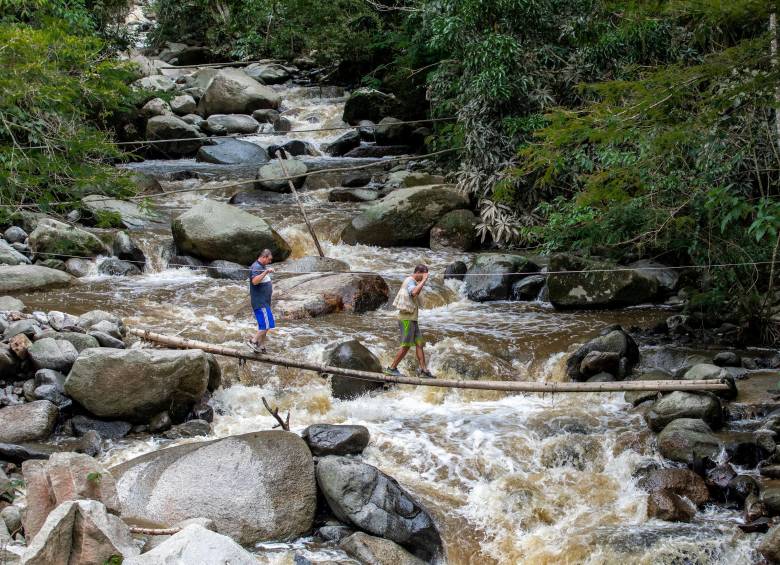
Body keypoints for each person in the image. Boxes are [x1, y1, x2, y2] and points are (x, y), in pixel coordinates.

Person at [384, 264, 434, 378]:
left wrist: (423, 280)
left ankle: (423, 370)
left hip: (412, 319)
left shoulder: (413, 282)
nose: (424, 278)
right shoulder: (410, 281)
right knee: (406, 345)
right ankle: (391, 368)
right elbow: (414, 292)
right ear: (418, 272)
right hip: (406, 320)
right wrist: (425, 279)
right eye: (423, 275)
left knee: (419, 344)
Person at [247, 249, 275, 353]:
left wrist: (265, 270)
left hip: (264, 302)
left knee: (263, 326)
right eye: (269, 259)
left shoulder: (261, 266)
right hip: (260, 302)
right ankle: (253, 341)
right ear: (264, 257)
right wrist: (266, 272)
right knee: (268, 325)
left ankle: (261, 346)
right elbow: (254, 281)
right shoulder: (256, 267)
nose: (270, 262)